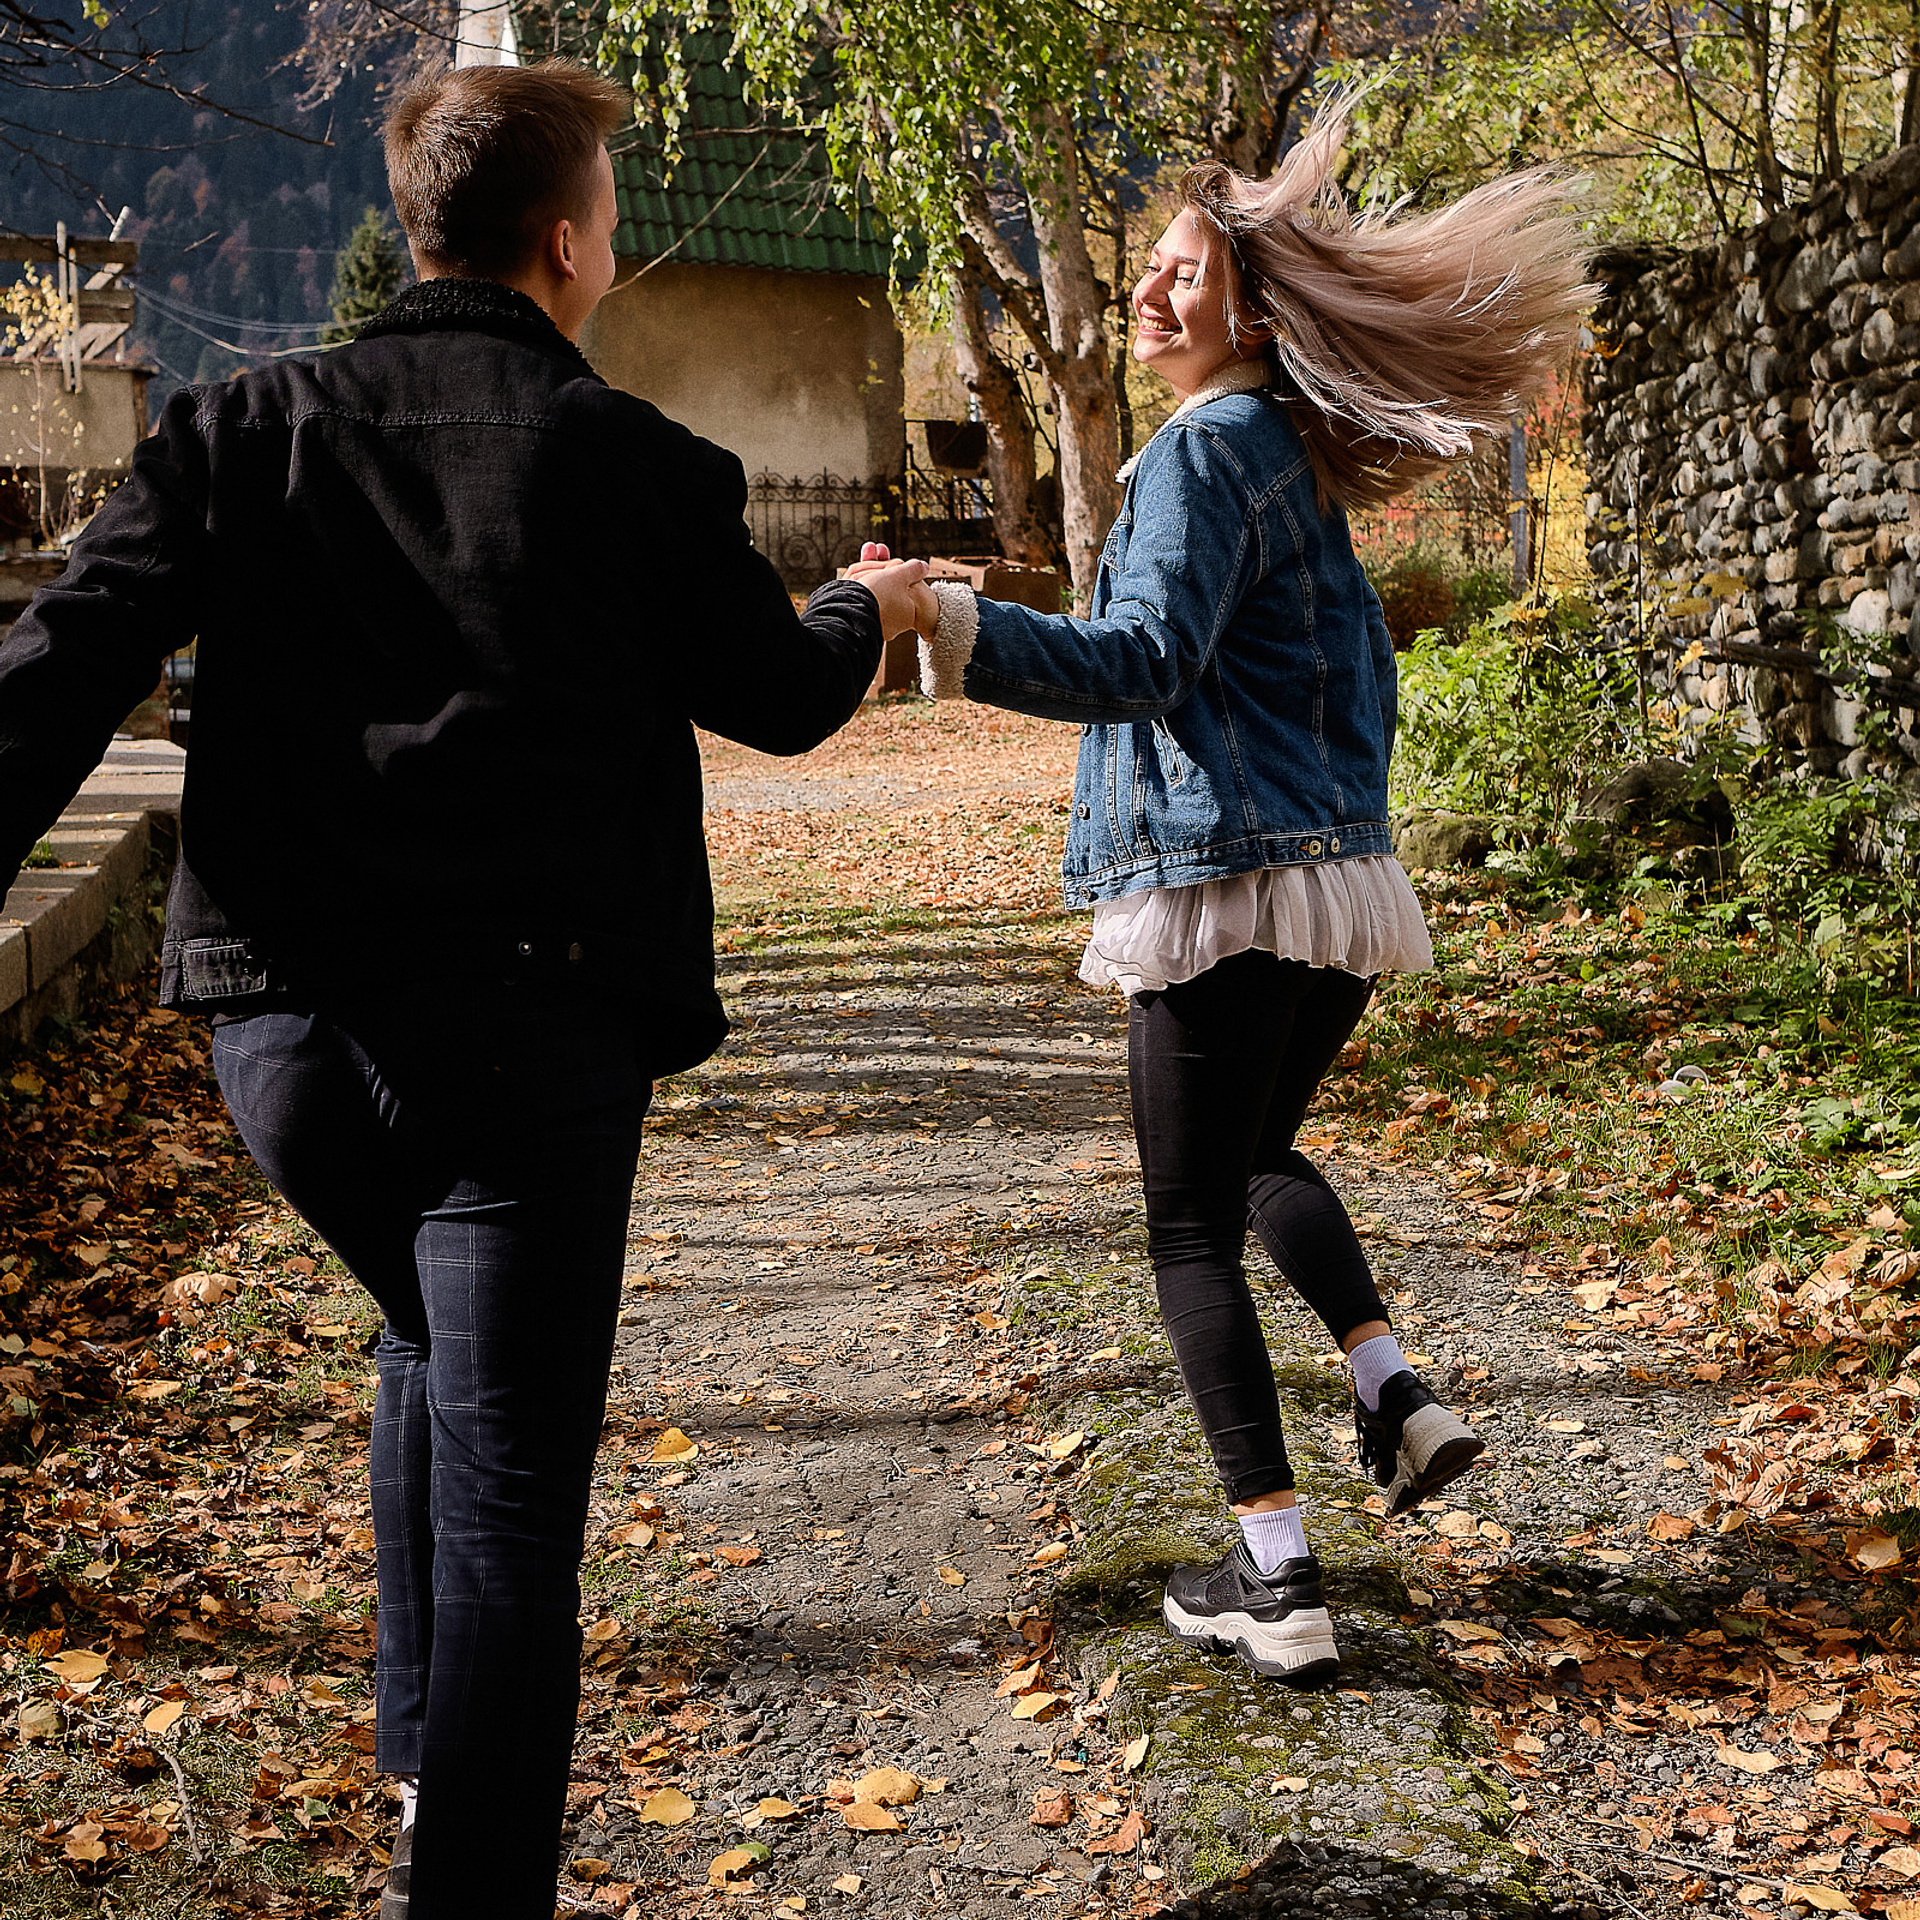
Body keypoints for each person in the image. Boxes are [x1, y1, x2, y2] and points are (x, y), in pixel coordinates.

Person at [0, 58, 931, 1920]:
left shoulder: (236, 424)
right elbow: (782, 695)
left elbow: (48, 674)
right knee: (517, 1513)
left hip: (290, 1056)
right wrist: (878, 605)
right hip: (530, 1052)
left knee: (422, 1342)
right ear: (571, 242)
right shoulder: (640, 463)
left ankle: (427, 1765)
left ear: (425, 222)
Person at [872, 100, 1589, 1683]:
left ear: (1254, 314)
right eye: (1151, 272)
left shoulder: (1209, 453)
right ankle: (1393, 1390)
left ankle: (1279, 1574)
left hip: (1237, 888)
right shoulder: (1288, 460)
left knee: (1187, 1227)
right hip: (1335, 891)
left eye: (1186, 276)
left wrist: (942, 616)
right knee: (1260, 1155)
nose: (1152, 296)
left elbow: (1141, 668)